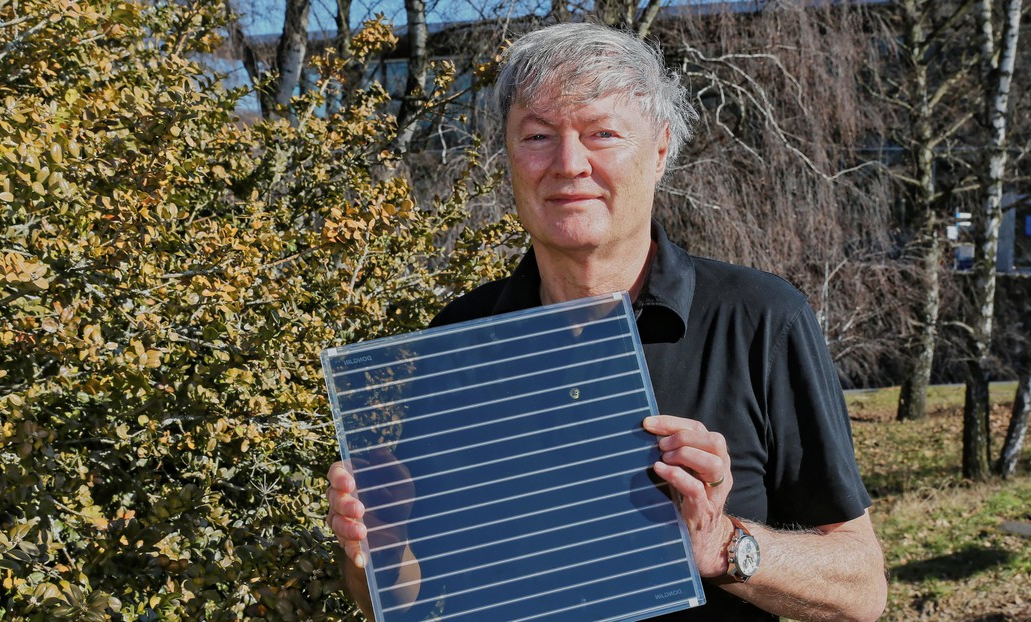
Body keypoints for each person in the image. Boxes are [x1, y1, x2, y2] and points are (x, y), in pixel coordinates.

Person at [327, 21, 887, 622]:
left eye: (603, 133)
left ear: (662, 147)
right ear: (509, 157)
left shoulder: (759, 320)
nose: (569, 164)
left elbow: (861, 590)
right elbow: (405, 595)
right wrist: (375, 550)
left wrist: (719, 545)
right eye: (538, 135)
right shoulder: (460, 338)